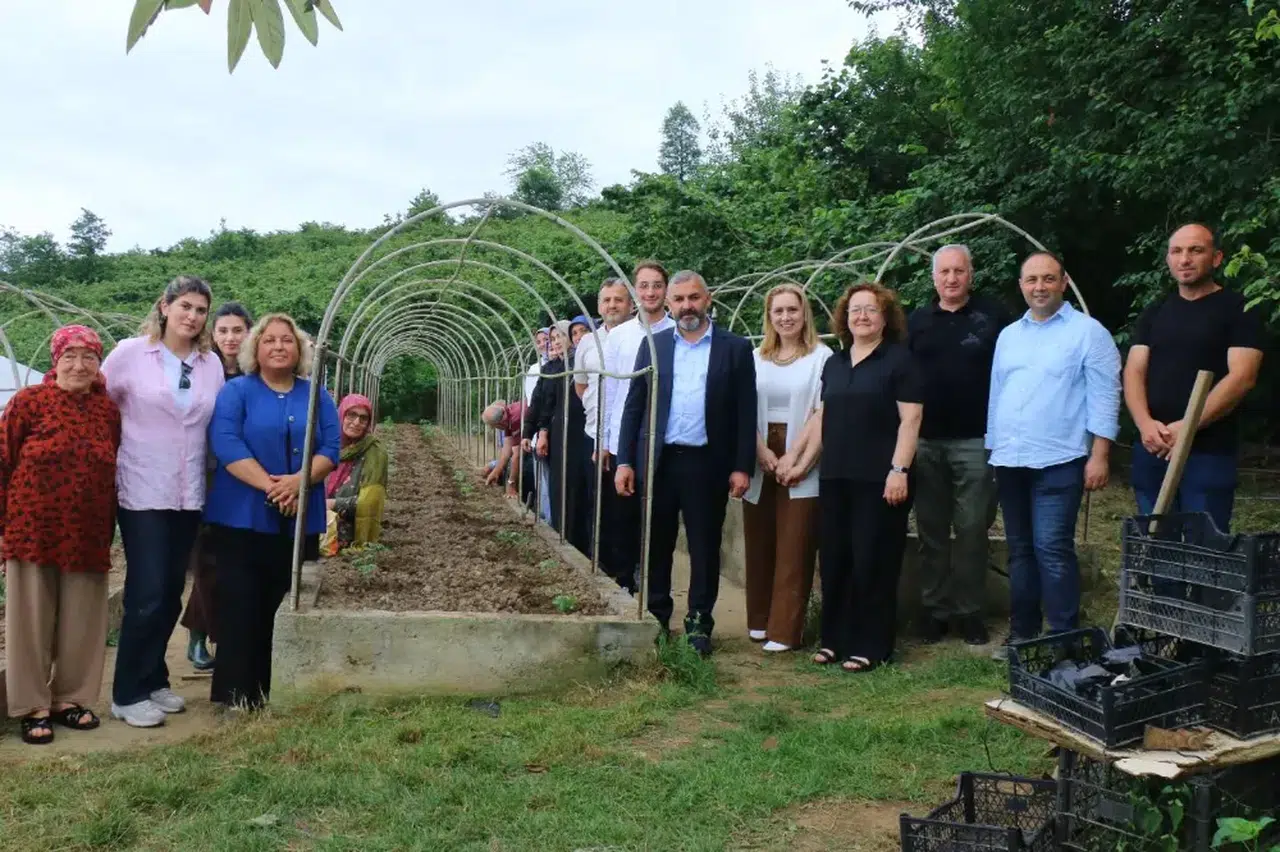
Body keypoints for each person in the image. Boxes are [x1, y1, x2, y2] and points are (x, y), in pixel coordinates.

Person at [102, 275, 225, 728]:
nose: (192, 317)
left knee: (171, 592)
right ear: (165, 307)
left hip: (188, 491)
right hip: (142, 488)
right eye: (186, 307)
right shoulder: (130, 355)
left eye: (200, 310)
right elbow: (99, 405)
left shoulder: (209, 363)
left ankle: (154, 678)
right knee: (147, 592)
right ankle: (127, 693)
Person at [987, 252, 1121, 658]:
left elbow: (1104, 396)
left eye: (1048, 279)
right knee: (1021, 550)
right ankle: (1024, 635)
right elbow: (998, 395)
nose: (1039, 287)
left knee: (1052, 548)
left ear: (1063, 282)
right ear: (1021, 285)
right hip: (1010, 460)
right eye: (1031, 280)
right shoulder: (1009, 334)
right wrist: (993, 447)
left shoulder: (1088, 333)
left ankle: (1064, 638)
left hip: (1059, 461)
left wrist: (1100, 454)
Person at [616, 270, 756, 656]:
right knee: (656, 544)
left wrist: (742, 466)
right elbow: (634, 406)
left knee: (705, 545)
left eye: (693, 298)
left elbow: (747, 413)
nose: (686, 306)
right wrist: (625, 459)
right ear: (668, 304)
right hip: (660, 462)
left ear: (707, 299)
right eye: (678, 300)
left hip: (706, 462)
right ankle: (658, 616)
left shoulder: (734, 348)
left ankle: (699, 623)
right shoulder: (655, 345)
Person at [204, 313, 340, 711]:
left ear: (299, 351)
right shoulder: (237, 392)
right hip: (241, 516)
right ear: (255, 349)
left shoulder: (316, 393)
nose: (279, 347)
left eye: (287, 341)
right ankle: (234, 694)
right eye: (269, 341)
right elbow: (226, 443)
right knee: (240, 603)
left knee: (280, 601)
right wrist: (273, 486)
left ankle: (270, 689)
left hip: (298, 516)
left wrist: (299, 481)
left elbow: (330, 446)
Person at [789, 282, 922, 673]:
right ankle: (834, 639)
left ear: (885, 318)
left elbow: (911, 420)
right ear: (845, 319)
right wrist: (797, 460)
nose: (862, 316)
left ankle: (873, 644)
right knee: (835, 560)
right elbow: (823, 417)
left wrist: (899, 470)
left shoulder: (900, 361)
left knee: (873, 561)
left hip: (880, 479)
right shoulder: (836, 363)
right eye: (855, 310)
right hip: (836, 477)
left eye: (870, 310)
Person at [1, 326, 121, 744]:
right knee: (30, 621)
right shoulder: (28, 403)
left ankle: (69, 699)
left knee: (82, 622)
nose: (79, 364)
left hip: (87, 533)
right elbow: (3, 462)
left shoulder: (107, 411)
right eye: (69, 355)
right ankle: (32, 705)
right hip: (31, 530)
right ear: (55, 360)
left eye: (88, 356)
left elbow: (113, 465)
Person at [1123, 223, 1265, 532]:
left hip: (1208, 452)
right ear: (1169, 260)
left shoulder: (1238, 309)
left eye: (1195, 250)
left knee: (1206, 549)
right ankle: (1164, 585)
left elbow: (1242, 376)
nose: (1184, 259)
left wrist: (1186, 428)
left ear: (1216, 258)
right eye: (1177, 251)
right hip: (1153, 447)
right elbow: (1133, 371)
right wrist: (1145, 424)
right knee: (1158, 546)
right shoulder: (1156, 310)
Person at [907, 245, 1011, 646]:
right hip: (926, 440)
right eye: (944, 272)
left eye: (959, 271)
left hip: (977, 439)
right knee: (931, 530)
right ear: (933, 277)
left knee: (971, 529)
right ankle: (935, 611)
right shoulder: (916, 321)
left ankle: (969, 612)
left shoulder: (994, 317)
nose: (951, 279)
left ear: (971, 274)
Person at [743, 284, 832, 653]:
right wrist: (761, 450)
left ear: (804, 313)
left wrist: (797, 459)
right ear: (769, 317)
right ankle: (760, 622)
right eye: (778, 311)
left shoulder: (822, 357)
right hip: (761, 451)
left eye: (792, 310)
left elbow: (821, 413)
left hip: (802, 452)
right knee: (759, 540)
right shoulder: (755, 357)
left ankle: (785, 630)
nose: (785, 317)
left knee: (795, 543)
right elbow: (742, 408)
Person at [181, 301, 253, 672]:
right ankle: (200, 636)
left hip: (245, 476)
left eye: (237, 330)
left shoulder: (256, 372)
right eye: (222, 330)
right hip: (203, 473)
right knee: (207, 559)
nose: (229, 337)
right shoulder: (200, 369)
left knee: (233, 560)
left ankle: (222, 635)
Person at [601, 260, 674, 592]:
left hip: (665, 443)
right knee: (625, 518)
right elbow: (612, 392)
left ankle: (653, 584)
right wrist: (606, 441)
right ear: (635, 291)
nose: (650, 292)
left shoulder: (677, 333)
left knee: (659, 519)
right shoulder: (619, 336)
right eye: (643, 286)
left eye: (657, 285)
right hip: (625, 440)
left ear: (666, 290)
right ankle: (625, 581)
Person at [574, 279, 634, 585]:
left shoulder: (640, 337)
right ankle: (601, 566)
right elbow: (581, 385)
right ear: (599, 307)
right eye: (607, 300)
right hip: (594, 433)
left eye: (619, 300)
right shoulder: (588, 342)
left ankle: (627, 573)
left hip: (628, 437)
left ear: (630, 304)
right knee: (596, 502)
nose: (612, 305)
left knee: (624, 507)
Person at [525, 321, 590, 552]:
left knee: (574, 491)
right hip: (556, 434)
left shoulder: (575, 365)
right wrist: (531, 431)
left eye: (559, 337)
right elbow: (540, 402)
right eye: (551, 339)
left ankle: (576, 542)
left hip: (575, 436)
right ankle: (562, 535)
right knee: (556, 487)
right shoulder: (552, 368)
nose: (554, 343)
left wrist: (540, 431)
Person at [322, 393, 389, 554]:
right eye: (351, 415)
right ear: (341, 415)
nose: (356, 423)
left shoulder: (374, 453)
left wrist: (331, 504)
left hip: (347, 526)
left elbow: (369, 503)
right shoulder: (325, 444)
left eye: (363, 418)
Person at [481, 398, 532, 504]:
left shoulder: (516, 418)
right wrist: (496, 472)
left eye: (495, 427)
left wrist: (511, 484)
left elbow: (517, 455)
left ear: (500, 424)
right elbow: (507, 449)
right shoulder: (508, 415)